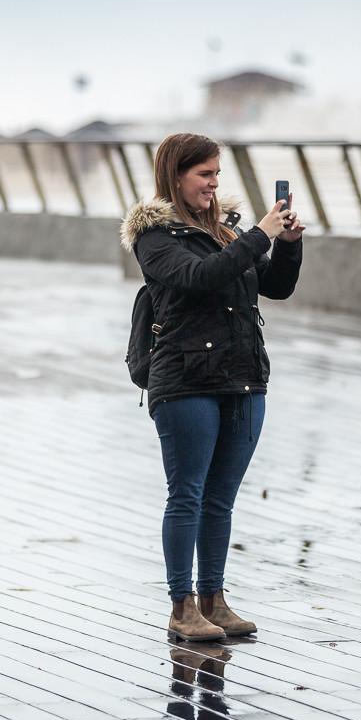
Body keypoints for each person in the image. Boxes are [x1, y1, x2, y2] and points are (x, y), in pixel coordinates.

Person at [119, 133, 304, 641]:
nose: (214, 183)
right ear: (176, 176)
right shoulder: (155, 238)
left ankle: (214, 601)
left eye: (218, 174)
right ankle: (182, 609)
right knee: (187, 495)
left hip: (243, 377)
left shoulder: (226, 231)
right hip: (185, 381)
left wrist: (287, 245)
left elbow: (277, 287)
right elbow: (201, 278)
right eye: (205, 174)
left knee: (220, 499)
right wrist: (259, 236)